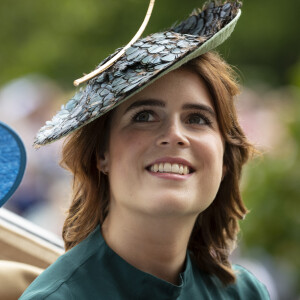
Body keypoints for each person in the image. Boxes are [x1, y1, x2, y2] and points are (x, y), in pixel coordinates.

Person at [20, 1, 270, 299]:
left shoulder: (245, 293)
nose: (176, 135)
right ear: (102, 154)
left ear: (225, 159)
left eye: (197, 119)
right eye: (144, 116)